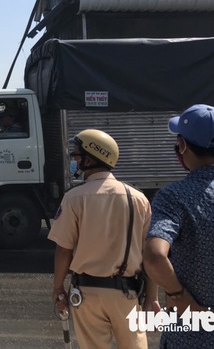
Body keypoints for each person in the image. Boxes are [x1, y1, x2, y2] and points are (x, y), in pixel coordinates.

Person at [48, 129, 157, 349]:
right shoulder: (139, 199)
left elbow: (64, 250)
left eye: (77, 156)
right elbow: (150, 255)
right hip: (128, 295)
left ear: (90, 158)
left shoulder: (74, 198)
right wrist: (152, 298)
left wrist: (58, 289)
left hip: (87, 295)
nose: (75, 160)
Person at [144, 104, 214, 348]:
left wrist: (178, 296)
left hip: (191, 336)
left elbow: (154, 256)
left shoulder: (174, 197)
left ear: (182, 146)